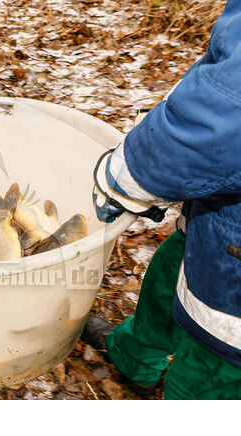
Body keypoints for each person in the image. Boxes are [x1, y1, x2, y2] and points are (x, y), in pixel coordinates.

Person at [86, 0, 241, 399]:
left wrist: (124, 176)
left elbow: (222, 118)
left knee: (212, 362)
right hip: (223, 218)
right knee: (175, 265)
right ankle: (135, 359)